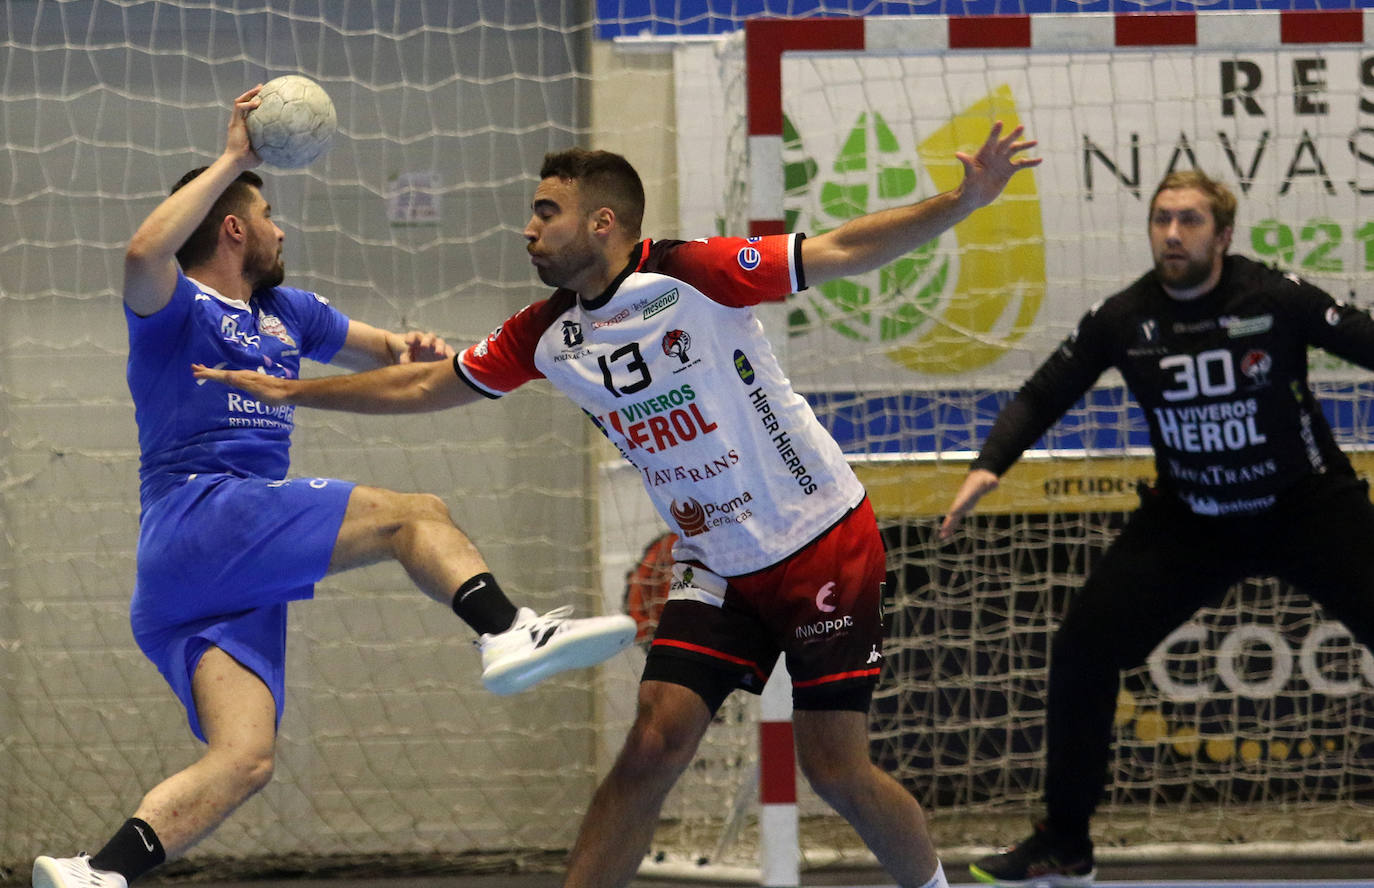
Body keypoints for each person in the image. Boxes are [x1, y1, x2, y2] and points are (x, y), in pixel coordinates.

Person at [190, 122, 1041, 888]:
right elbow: (424, 383)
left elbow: (844, 249)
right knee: (651, 743)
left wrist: (962, 200)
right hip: (716, 565)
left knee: (834, 768)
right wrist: (296, 392)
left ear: (602, 222)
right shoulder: (547, 333)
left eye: (546, 211)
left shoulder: (692, 273)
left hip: (821, 541)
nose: (528, 228)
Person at [31, 86, 636, 888]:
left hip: (211, 575)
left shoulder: (287, 311)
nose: (285, 230)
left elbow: (385, 350)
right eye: (271, 214)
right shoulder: (174, 309)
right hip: (201, 515)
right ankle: (505, 630)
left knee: (245, 758)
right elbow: (144, 254)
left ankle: (97, 874)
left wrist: (411, 345)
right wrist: (234, 161)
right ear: (236, 227)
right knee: (412, 515)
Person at [940, 169, 1374, 886]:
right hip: (1192, 517)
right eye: (1162, 219)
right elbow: (1045, 391)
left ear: (1224, 236)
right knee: (1083, 649)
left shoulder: (1276, 298)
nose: (1173, 234)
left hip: (1306, 507)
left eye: (1191, 221)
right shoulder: (1125, 318)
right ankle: (1065, 843)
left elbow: (1363, 339)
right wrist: (991, 464)